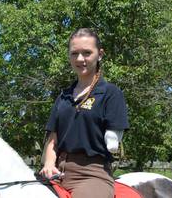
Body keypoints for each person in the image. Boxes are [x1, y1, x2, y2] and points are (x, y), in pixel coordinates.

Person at [40, 28, 129, 198]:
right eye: (74, 53)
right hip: (57, 172)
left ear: (100, 54)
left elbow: (113, 139)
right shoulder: (63, 96)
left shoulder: (111, 93)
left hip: (92, 175)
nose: (80, 59)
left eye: (87, 53)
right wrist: (49, 164)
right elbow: (52, 139)